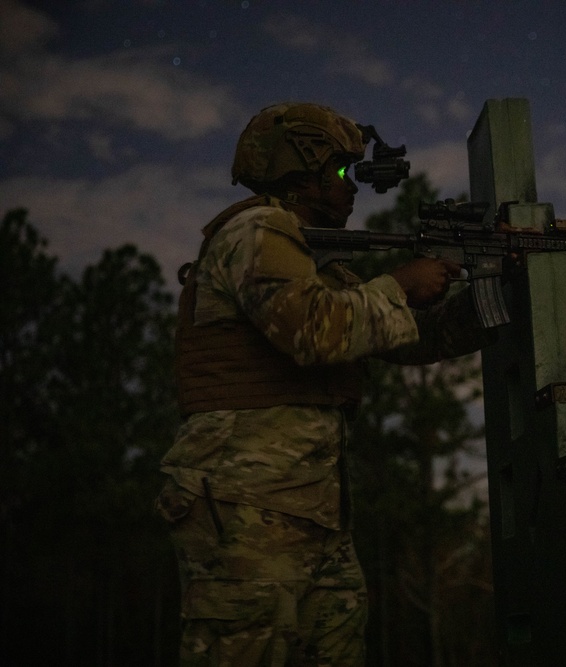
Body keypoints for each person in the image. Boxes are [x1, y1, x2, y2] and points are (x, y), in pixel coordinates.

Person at [155, 102, 490, 666]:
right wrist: (400, 286)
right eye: (338, 172)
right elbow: (315, 330)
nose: (352, 186)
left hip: (314, 511)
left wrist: (489, 303)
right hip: (245, 503)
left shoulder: (316, 262)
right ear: (296, 172)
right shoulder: (256, 230)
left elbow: (408, 338)